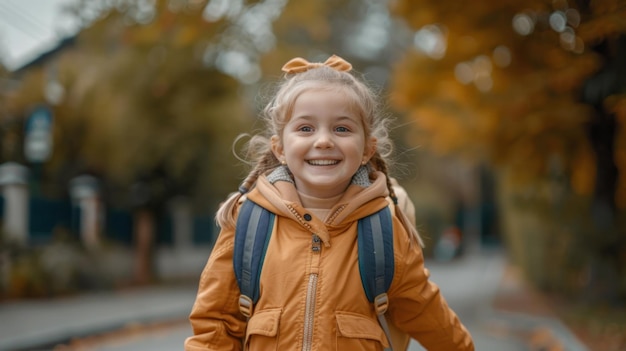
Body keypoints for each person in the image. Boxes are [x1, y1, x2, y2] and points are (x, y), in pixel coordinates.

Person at [185, 54, 474, 350]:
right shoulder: (248, 221)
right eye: (306, 128)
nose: (323, 141)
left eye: (342, 129)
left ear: (367, 149)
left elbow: (425, 311)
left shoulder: (384, 228)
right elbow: (214, 326)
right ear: (280, 148)